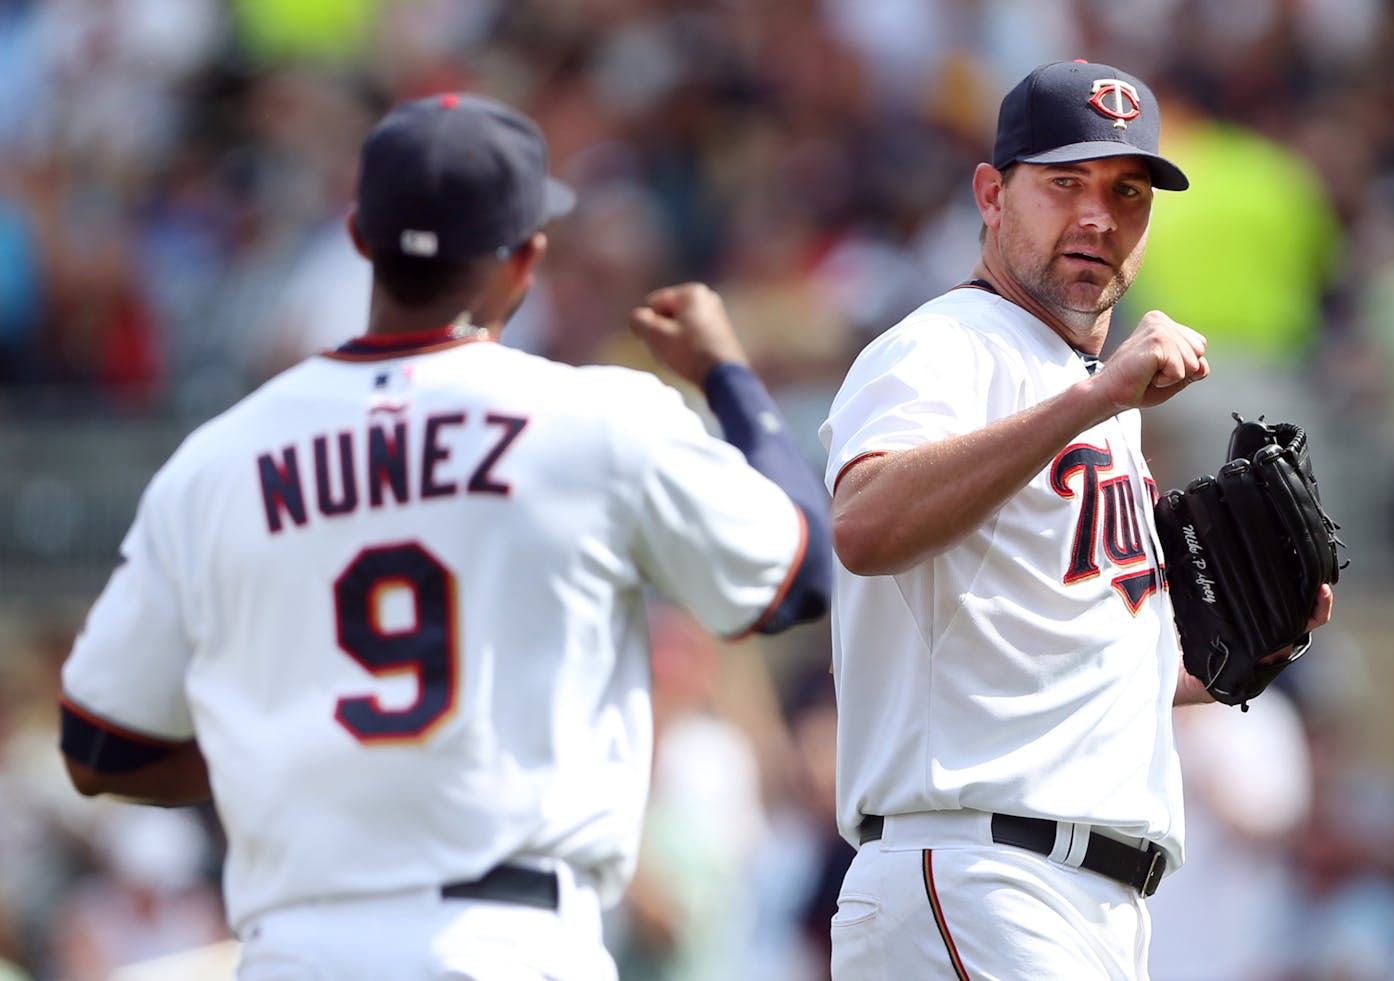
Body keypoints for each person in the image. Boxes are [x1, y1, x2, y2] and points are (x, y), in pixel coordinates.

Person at [57, 92, 831, 980]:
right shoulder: (595, 420)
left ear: (358, 237)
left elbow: (98, 745)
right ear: (526, 257)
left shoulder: (218, 460)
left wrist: (272, 750)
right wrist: (730, 377)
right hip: (505, 940)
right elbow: (799, 575)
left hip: (298, 946)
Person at [818, 60, 1335, 979]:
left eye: (1127, 192)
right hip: (977, 868)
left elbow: (1078, 648)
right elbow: (863, 523)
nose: (1098, 214)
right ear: (991, 193)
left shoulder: (1087, 393)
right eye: (1065, 182)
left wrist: (1225, 665)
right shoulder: (945, 344)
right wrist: (1095, 399)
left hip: (1085, 896)